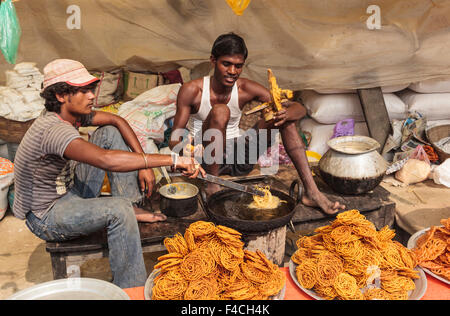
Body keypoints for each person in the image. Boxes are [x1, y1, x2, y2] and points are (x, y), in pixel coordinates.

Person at [12, 59, 204, 288]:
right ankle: (131, 289)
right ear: (62, 96)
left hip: (70, 192)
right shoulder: (53, 130)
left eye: (90, 89)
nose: (92, 96)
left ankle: (132, 204)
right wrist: (173, 159)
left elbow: (116, 119)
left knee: (110, 132)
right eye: (83, 91)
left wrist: (143, 164)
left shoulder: (69, 114)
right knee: (118, 210)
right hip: (47, 215)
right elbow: (107, 160)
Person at [169, 32, 345, 215]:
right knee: (221, 111)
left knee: (282, 117)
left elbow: (299, 109)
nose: (232, 71)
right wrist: (186, 149)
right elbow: (174, 140)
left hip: (239, 160)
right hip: (206, 159)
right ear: (213, 60)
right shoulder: (192, 90)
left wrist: (287, 113)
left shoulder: (245, 88)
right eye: (226, 64)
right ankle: (213, 185)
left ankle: (312, 193)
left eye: (238, 66)